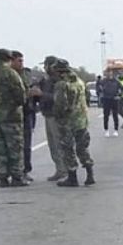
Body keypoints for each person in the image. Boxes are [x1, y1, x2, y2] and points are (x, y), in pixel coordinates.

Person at [0, 48, 28, 187]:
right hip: (11, 117)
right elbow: (21, 97)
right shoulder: (11, 74)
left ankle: (2, 178)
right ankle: (17, 177)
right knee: (15, 148)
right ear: (9, 58)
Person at [51, 59, 94, 187]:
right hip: (81, 120)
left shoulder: (62, 84)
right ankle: (90, 174)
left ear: (58, 71)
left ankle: (72, 177)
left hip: (67, 121)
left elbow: (60, 104)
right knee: (82, 148)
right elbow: (87, 97)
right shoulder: (80, 82)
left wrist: (57, 116)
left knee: (68, 149)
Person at [30, 56, 68, 181]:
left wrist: (42, 94)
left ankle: (64, 169)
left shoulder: (59, 81)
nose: (44, 68)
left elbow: (58, 98)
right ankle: (60, 169)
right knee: (53, 145)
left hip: (56, 115)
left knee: (58, 144)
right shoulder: (46, 80)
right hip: (48, 114)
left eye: (46, 65)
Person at [10, 51, 36, 182]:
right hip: (13, 115)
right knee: (13, 145)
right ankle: (14, 171)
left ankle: (25, 170)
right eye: (19, 61)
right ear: (11, 61)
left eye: (22, 61)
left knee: (26, 145)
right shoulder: (8, 76)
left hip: (27, 113)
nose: (21, 63)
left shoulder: (26, 74)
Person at [99, 72, 123, 137]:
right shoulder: (103, 81)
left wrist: (119, 95)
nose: (110, 75)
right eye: (108, 74)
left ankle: (116, 130)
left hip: (114, 100)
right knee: (106, 116)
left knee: (115, 115)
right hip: (106, 99)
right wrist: (101, 93)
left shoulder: (116, 81)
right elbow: (98, 88)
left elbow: (122, 88)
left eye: (111, 74)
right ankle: (106, 130)